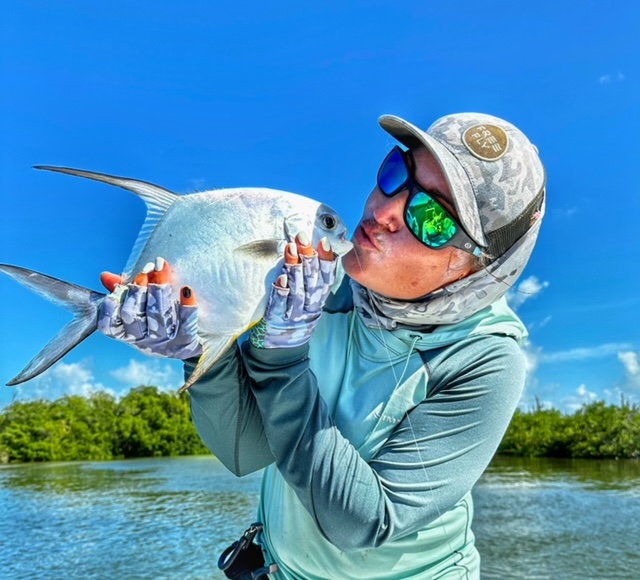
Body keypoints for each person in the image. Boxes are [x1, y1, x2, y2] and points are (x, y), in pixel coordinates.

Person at [99, 112, 546, 579]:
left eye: (431, 218)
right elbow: (245, 451)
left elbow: (363, 523)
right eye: (397, 174)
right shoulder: (311, 287)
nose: (387, 210)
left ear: (474, 270)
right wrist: (201, 348)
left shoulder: (486, 360)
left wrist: (282, 357)